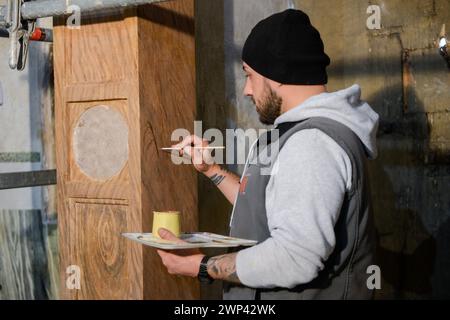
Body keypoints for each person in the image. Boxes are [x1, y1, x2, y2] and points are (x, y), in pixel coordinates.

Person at [156, 9, 380, 300]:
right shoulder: (296, 134)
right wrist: (211, 170)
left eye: (249, 75)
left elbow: (295, 257)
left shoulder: (311, 144)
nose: (247, 90)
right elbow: (267, 209)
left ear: (278, 74)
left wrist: (202, 266)